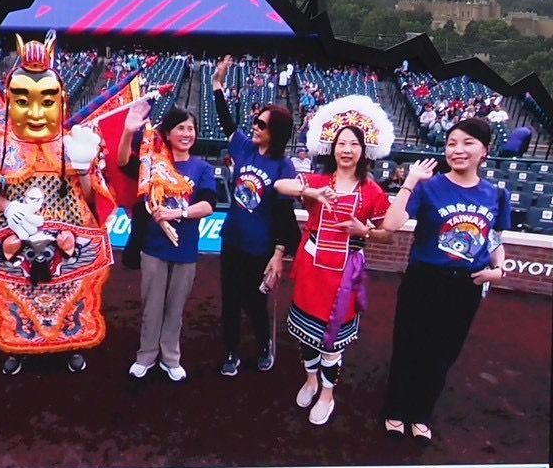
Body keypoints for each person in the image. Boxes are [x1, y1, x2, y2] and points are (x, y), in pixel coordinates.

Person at [0, 35, 119, 376]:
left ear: (61, 102)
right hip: (13, 236)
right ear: (8, 102)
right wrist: (8, 208)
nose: (35, 113)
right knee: (14, 294)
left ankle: (71, 345)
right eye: (22, 101)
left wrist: (83, 168)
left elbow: (94, 201)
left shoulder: (78, 143)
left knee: (70, 292)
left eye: (46, 101)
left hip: (70, 233)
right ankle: (18, 347)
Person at [379, 118, 509, 441]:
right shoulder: (429, 187)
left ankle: (421, 412)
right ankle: (396, 409)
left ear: (485, 150)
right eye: (452, 143)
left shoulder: (496, 194)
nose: (458, 149)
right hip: (424, 280)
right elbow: (391, 224)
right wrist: (410, 180)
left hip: (466, 286)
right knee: (408, 347)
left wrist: (500, 268)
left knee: (442, 355)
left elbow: (493, 236)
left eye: (468, 143)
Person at [274, 96, 394, 426]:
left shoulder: (373, 192)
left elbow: (388, 234)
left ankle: (327, 393)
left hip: (344, 277)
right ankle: (311, 380)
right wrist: (309, 194)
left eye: (354, 144)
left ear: (363, 150)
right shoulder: (316, 181)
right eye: (342, 143)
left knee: (331, 344)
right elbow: (279, 185)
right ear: (333, 147)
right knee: (306, 335)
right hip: (312, 269)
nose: (347, 150)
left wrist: (364, 231)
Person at [210, 57, 299, 378]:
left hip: (260, 248)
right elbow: (225, 121)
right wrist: (217, 84)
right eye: (256, 122)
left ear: (274, 132)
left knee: (255, 301)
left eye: (261, 124)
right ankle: (231, 351)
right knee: (230, 301)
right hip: (232, 239)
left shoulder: (283, 167)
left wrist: (278, 252)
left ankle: (264, 345)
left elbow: (285, 217)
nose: (255, 126)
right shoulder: (245, 149)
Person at [118, 103, 218, 382]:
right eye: (180, 128)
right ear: (168, 132)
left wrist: (177, 212)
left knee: (175, 306)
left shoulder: (202, 169)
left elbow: (208, 205)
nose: (187, 133)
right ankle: (146, 355)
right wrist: (128, 132)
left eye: (191, 128)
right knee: (152, 305)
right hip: (153, 247)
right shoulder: (153, 160)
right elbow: (124, 162)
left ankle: (170, 357)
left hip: (185, 249)